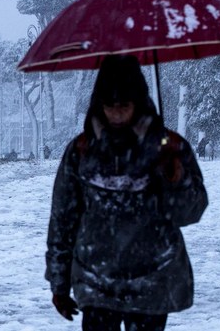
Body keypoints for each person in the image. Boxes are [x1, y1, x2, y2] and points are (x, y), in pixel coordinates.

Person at [46, 55, 208, 331]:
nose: (117, 113)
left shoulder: (168, 148)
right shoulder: (82, 151)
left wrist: (175, 179)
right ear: (100, 103)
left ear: (139, 101)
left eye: (124, 105)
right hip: (96, 281)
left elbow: (191, 211)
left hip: (152, 281)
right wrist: (59, 283)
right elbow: (63, 219)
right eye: (110, 105)